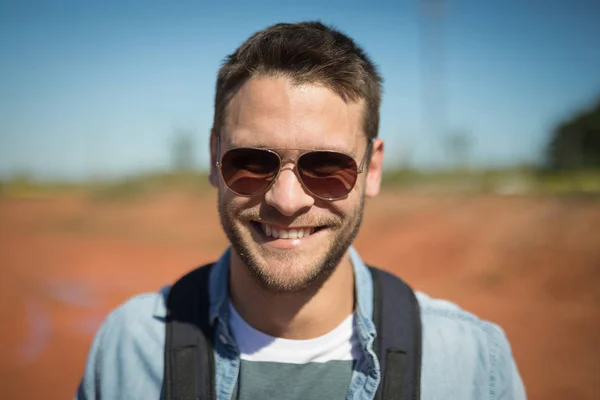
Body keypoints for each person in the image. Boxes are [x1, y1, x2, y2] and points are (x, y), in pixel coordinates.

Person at [76, 21, 526, 399]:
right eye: (250, 162)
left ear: (373, 169)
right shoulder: (128, 349)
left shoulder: (471, 365)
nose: (286, 201)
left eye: (327, 166)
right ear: (214, 157)